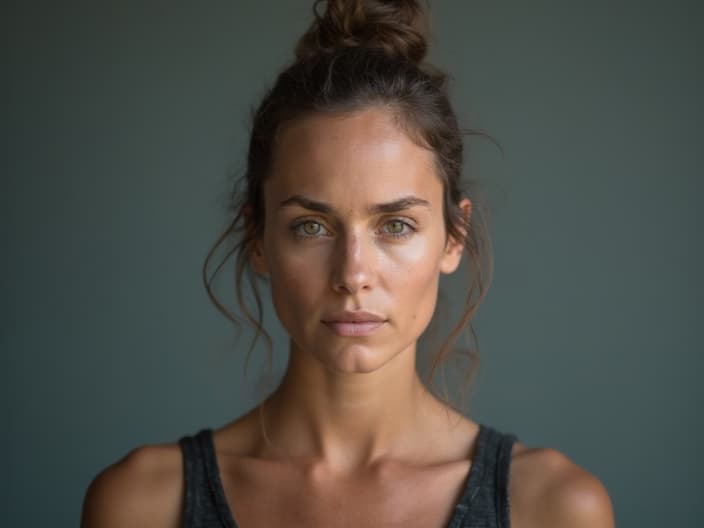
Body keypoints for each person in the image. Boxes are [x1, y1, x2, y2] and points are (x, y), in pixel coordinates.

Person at [81, 1, 615, 526]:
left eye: (396, 225)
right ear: (258, 237)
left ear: (454, 237)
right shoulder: (144, 504)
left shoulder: (552, 507)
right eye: (311, 226)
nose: (352, 274)